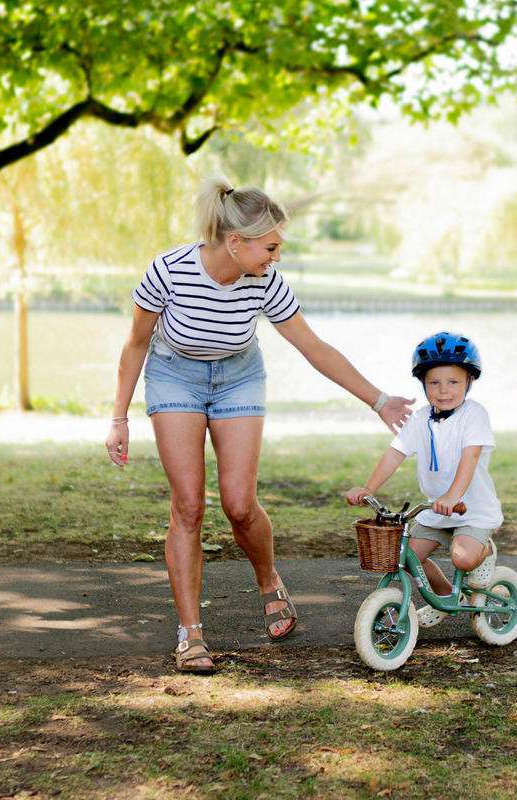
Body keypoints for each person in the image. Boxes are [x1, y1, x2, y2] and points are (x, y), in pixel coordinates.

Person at [105, 177, 414, 673]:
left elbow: (312, 347)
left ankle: (269, 579)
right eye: (270, 246)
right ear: (235, 242)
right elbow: (136, 343)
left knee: (239, 504)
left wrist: (377, 399)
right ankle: (190, 635)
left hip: (238, 378)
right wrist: (119, 418)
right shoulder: (169, 270)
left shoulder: (265, 282)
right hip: (174, 376)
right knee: (187, 504)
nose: (276, 257)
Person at [345, 331, 503, 628]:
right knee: (402, 557)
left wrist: (454, 495)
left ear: (470, 381)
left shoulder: (474, 415)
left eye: (453, 382)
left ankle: (486, 551)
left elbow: (469, 459)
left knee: (463, 559)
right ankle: (445, 595)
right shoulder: (420, 419)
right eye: (434, 382)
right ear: (423, 384)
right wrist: (369, 487)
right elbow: (395, 453)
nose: (444, 390)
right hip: (436, 511)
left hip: (472, 511)